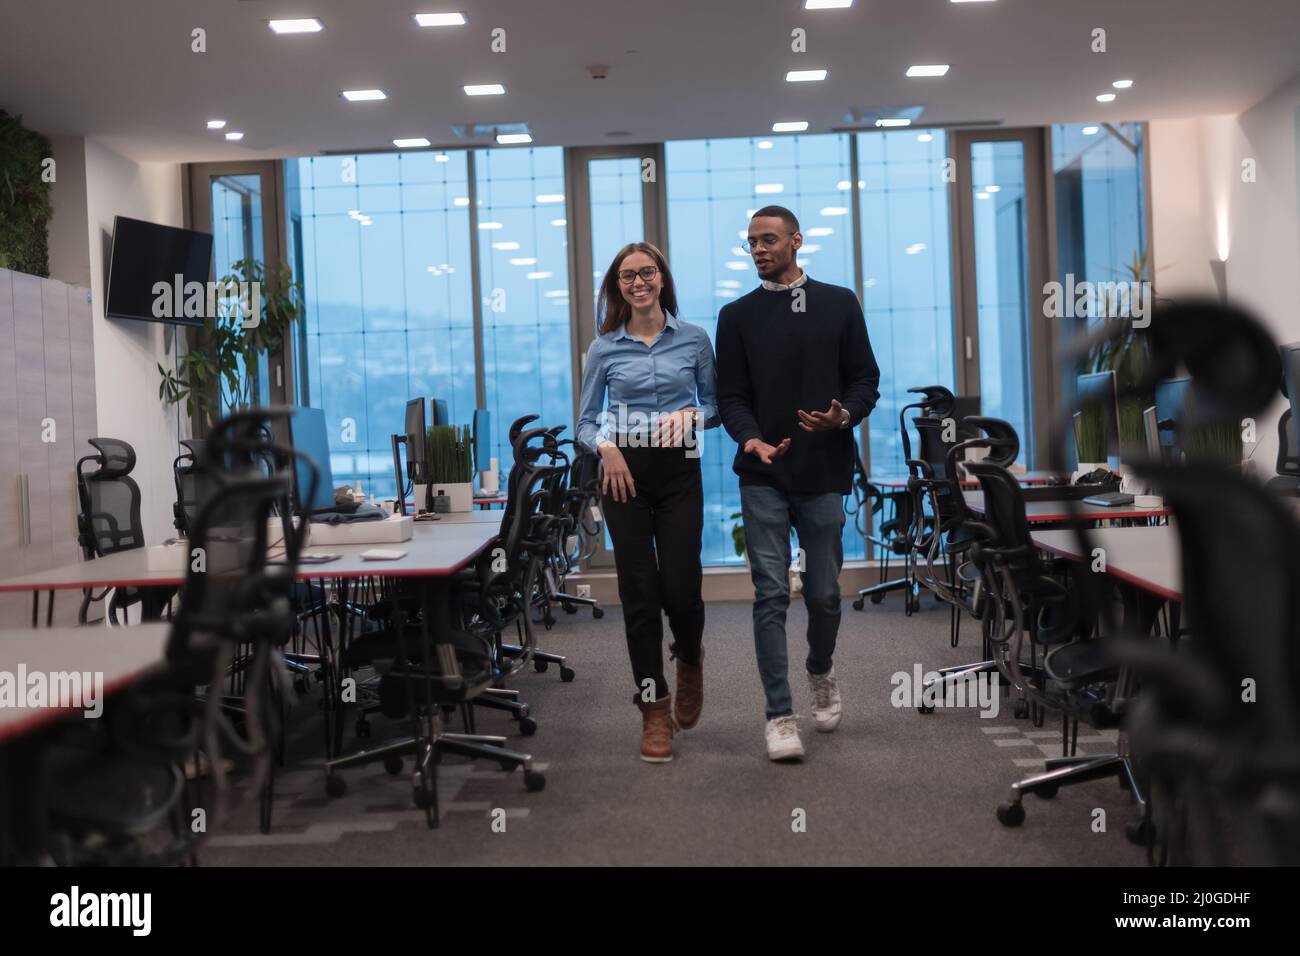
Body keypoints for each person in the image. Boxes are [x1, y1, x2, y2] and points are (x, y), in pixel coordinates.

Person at [715, 205, 881, 761]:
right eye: (751, 242)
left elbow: (865, 380)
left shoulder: (838, 303)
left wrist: (845, 417)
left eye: (768, 240)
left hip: (824, 470)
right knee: (769, 593)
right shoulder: (736, 316)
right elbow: (731, 397)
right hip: (763, 472)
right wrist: (750, 439)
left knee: (825, 593)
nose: (759, 249)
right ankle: (779, 715)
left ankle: (821, 669)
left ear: (796, 241)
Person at [577, 241, 720, 763]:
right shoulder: (604, 349)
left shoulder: (695, 339)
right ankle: (653, 709)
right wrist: (607, 448)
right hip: (623, 477)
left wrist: (693, 417)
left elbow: (718, 405)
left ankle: (689, 657)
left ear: (662, 278)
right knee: (639, 597)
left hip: (680, 468)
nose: (638, 282)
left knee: (682, 589)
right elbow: (585, 422)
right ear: (618, 287)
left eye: (647, 272)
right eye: (627, 276)